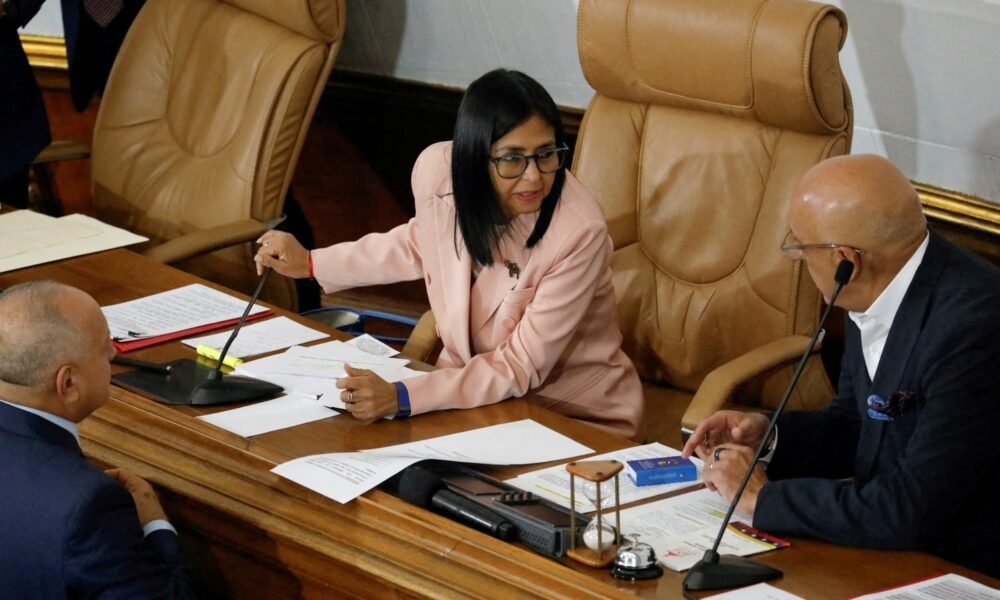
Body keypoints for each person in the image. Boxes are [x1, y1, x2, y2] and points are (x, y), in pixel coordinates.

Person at [255, 68, 644, 440]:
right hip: (470, 396)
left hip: (568, 413)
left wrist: (403, 396)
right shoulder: (439, 172)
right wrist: (311, 263)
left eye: (546, 154)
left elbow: (519, 364)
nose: (533, 176)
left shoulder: (578, 232)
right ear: (474, 157)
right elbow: (421, 242)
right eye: (512, 158)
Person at [681, 154, 1000, 577]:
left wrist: (761, 498)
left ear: (845, 259)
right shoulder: (878, 282)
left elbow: (910, 509)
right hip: (892, 545)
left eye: (799, 246)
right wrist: (769, 436)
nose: (797, 258)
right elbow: (858, 425)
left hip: (964, 567)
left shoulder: (975, 328)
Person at [0, 281, 194, 597]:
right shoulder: (88, 505)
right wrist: (154, 525)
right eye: (104, 348)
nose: (113, 352)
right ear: (68, 383)